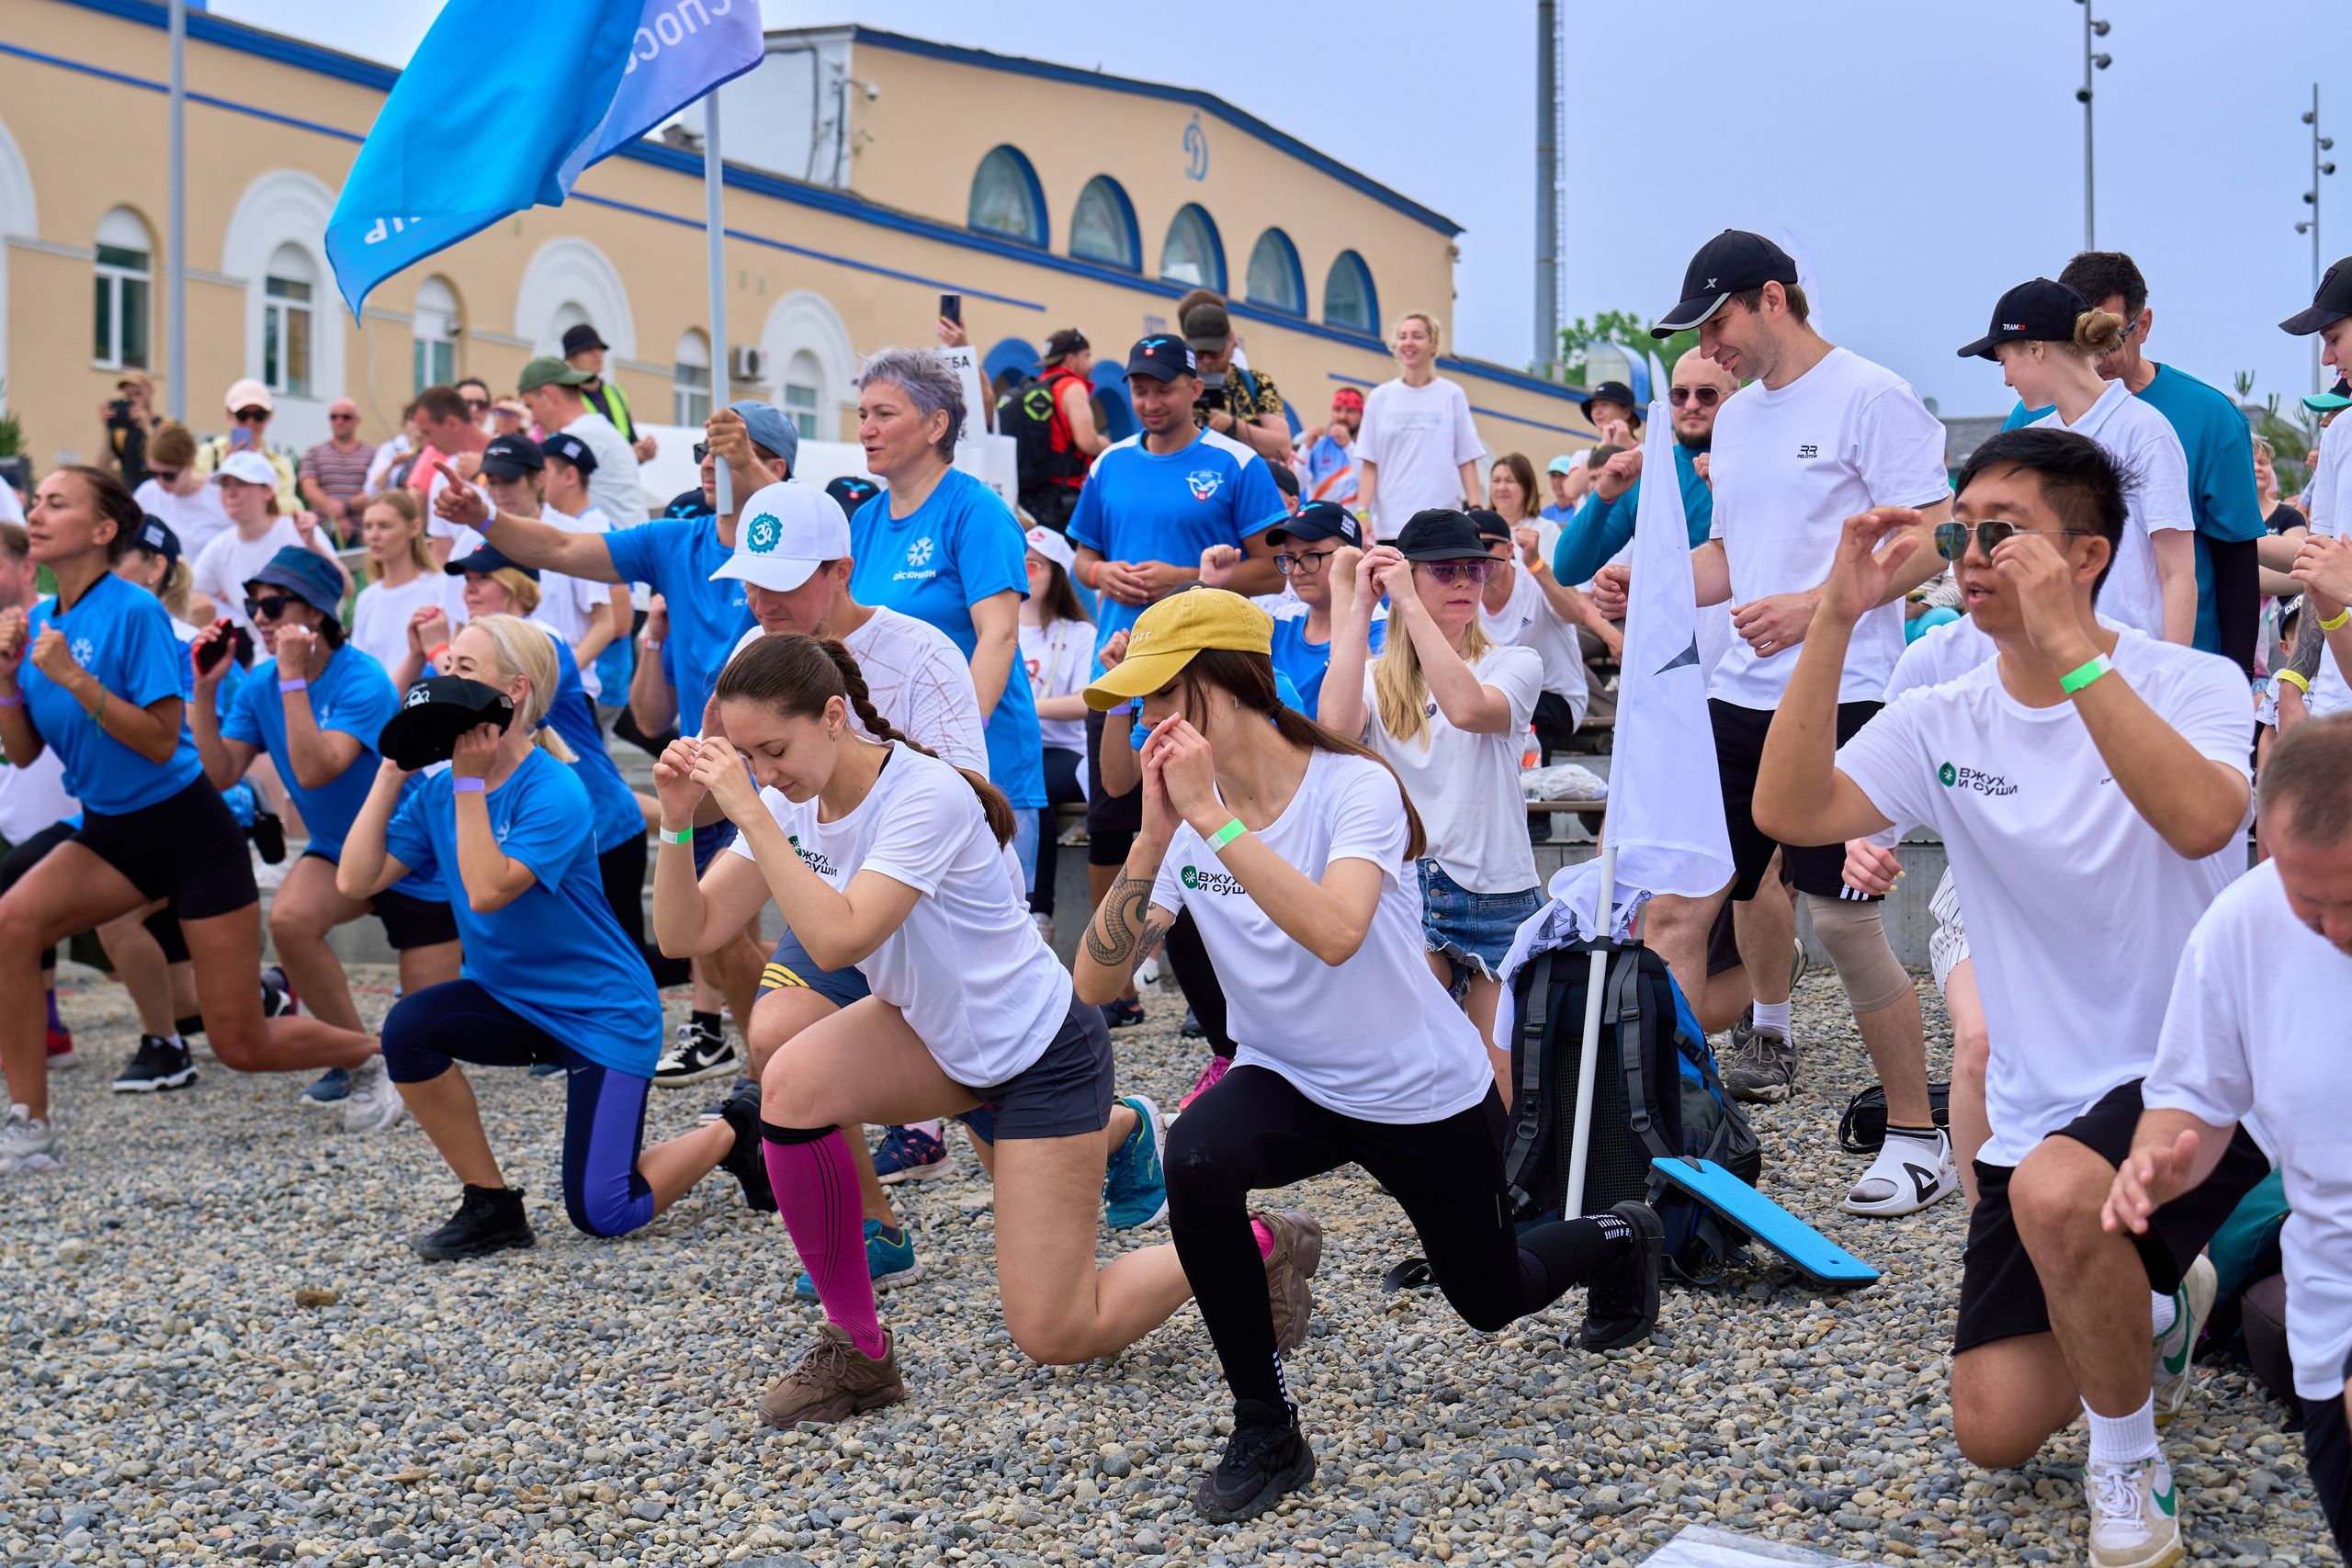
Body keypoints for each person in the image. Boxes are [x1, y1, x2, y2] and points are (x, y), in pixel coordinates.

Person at [1752, 426, 2265, 1566]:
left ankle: (2128, 1465)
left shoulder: (2192, 682)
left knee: (2055, 1189)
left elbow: (2201, 822)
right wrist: (1834, 616)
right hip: (2043, 1106)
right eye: (1958, 534)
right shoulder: (1944, 711)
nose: (1971, 555)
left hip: (2199, 1077)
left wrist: (2068, 648)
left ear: (2086, 555)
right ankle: (2159, 1303)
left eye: (2003, 532)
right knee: (1991, 1431)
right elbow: (1791, 811)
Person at [1072, 588, 1665, 1521]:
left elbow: (1337, 932)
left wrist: (1211, 823)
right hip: (1288, 1075)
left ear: (1225, 687)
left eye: (1159, 696)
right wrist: (1154, 837)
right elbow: (1094, 984)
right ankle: (1266, 1426)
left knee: (1492, 1296)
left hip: (1416, 1087)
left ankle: (1622, 1234)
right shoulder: (1182, 820)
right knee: (1196, 1155)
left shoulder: (1352, 787)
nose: (1146, 722)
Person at [648, 634, 1207, 1427]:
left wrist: (750, 811)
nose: (763, 773)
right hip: (936, 1034)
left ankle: (1253, 1241)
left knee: (1056, 1330)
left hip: (1040, 1053)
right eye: (747, 756)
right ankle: (858, 1347)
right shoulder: (785, 797)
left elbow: (841, 938)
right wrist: (677, 824)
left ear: (833, 716)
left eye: (774, 750)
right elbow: (687, 932)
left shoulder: (924, 793)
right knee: (790, 1081)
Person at [1591, 232, 1953, 1223]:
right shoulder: (1741, 417)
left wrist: (1815, 607)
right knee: (1673, 912)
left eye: (1717, 323)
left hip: (1843, 691)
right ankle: (1662, 1140)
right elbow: (1729, 556)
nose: (1708, 347)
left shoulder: (1871, 395)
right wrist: (1651, 580)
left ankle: (1917, 1137)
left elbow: (1937, 536)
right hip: (1736, 694)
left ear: (1772, 299)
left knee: (1839, 919)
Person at [334, 616, 764, 1256]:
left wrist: (469, 782)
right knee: (408, 1028)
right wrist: (391, 772)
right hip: (512, 1001)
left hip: (602, 1012)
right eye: (447, 666)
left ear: (514, 690)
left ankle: (736, 1128)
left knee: (605, 1211)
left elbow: (486, 890)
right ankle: (491, 1205)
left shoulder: (556, 787)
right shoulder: (440, 792)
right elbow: (355, 879)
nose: (449, 676)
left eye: (465, 668)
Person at [0, 468, 389, 1173]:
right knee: (11, 923)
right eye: (36, 502)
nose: (36, 513)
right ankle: (29, 1123)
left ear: (103, 529)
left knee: (240, 1044)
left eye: (56, 502)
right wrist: (5, 682)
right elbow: (24, 752)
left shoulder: (134, 611)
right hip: (113, 832)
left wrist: (74, 678)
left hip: (190, 833)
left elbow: (158, 740)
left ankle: (374, 1055)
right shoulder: (42, 623)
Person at [433, 403, 791, 1080]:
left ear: (774, 466)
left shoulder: (795, 535)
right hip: (706, 768)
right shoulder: (675, 541)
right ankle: (767, 1073)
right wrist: (484, 517)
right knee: (720, 943)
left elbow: (797, 528)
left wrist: (746, 464)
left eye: (730, 452)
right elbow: (561, 549)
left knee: (731, 940)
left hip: (785, 762)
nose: (710, 462)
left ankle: (771, 1077)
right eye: (706, 452)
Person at [2101, 714, 2350, 1558]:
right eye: (2308, 903)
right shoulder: (2245, 923)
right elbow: (2193, 1098)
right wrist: (2155, 1161)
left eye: (2350, 902)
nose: (2332, 930)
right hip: (2330, 1311)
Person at [187, 545, 460, 1122]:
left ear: (315, 613)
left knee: (424, 1039)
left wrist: (291, 679)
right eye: (253, 606)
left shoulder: (362, 678)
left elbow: (316, 770)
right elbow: (220, 774)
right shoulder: (261, 684)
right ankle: (358, 1058)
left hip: (414, 852)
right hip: (339, 848)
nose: (259, 619)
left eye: (273, 605)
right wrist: (205, 692)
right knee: (290, 921)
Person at [1068, 333, 1287, 1025]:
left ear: (1196, 388)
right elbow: (1082, 558)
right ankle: (1117, 988)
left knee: (1209, 818)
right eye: (1139, 388)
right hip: (1122, 665)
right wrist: (1104, 574)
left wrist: (1186, 576)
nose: (1150, 401)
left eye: (1163, 388)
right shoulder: (1110, 463)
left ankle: (1217, 983)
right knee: (1112, 823)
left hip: (1203, 675)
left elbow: (1272, 568)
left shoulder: (1236, 462)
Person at [1322, 510, 1544, 1068]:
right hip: (1410, 889)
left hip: (1498, 892)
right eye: (1445, 571)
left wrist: (1409, 602)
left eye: (1475, 568)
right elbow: (1334, 730)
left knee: (1502, 1083)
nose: (1466, 581)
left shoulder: (1515, 662)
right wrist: (1361, 604)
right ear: (1409, 577)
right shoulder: (1376, 676)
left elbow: (1468, 708)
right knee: (1414, 1064)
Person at [844, 347, 1047, 895]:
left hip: (979, 767)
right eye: (862, 414)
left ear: (937, 425)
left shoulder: (976, 511)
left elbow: (999, 635)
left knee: (987, 937)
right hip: (891, 767)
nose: (866, 429)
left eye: (884, 414)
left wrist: (953, 751)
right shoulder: (864, 522)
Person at [2004, 252, 2267, 674]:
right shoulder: (2031, 418)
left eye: (2108, 338)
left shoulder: (2209, 416)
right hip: (2065, 663)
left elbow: (2235, 559)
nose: (2095, 356)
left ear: (2142, 325)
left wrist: (2238, 681)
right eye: (2081, 338)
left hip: (2170, 664)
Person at [1964, 277, 2194, 643]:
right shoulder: (2034, 440)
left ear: (2036, 348)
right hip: (2045, 656)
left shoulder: (2145, 432)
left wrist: (2171, 670)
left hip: (2130, 660)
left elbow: (2177, 572)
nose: (2005, 379)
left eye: (2003, 360)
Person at [0, 521, 81, 1072]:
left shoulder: (59, 626)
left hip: (83, 814)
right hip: (13, 810)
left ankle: (266, 992)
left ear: (27, 568)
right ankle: (44, 1029)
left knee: (139, 960)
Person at [1018, 524, 1095, 943]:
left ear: (1057, 574)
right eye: (1018, 563)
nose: (1023, 572)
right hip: (1011, 746)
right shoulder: (992, 627)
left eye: (1034, 565)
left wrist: (1023, 709)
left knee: (1033, 784)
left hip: (1063, 749)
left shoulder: (1080, 633)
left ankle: (1038, 912)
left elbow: (1087, 699)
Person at [1226, 501, 1370, 721]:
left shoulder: (1380, 629)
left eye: (1311, 556)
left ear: (1352, 557)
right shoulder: (1279, 622)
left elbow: (1367, 704)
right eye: (1290, 558)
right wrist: (1210, 583)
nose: (1297, 570)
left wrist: (1343, 585)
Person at [1472, 506, 1591, 764]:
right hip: (1496, 697)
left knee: (1515, 714)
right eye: (1471, 547)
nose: (1479, 555)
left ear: (1509, 550)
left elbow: (1577, 612)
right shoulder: (1463, 593)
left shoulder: (1535, 580)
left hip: (1556, 698)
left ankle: (1532, 789)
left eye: (1487, 545)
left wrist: (1536, 563)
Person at [1354, 313, 1483, 542]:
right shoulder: (1379, 397)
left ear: (1433, 345)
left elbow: (1466, 459)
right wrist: (1362, 512)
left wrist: (1476, 510)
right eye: (1403, 337)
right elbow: (1370, 464)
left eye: (1417, 336)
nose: (1408, 343)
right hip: (1392, 526)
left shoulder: (1452, 394)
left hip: (1443, 523)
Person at [191, 451, 351, 631]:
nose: (231, 493)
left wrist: (313, 545)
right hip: (264, 649)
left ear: (268, 491)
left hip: (312, 646)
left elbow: (345, 588)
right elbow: (188, 595)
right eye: (225, 485)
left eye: (241, 484)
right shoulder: (220, 547)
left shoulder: (298, 531)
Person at [517, 355, 644, 528]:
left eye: (530, 406)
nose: (532, 419)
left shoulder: (573, 439)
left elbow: (532, 492)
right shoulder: (600, 429)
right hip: (625, 539)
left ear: (548, 395)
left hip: (608, 542)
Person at [1007, 328, 1107, 533]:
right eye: (1086, 357)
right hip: (1062, 497)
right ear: (1070, 360)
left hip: (1029, 494)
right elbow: (1087, 442)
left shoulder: (1038, 385)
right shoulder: (1072, 386)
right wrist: (1107, 445)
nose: (1090, 365)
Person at [348, 491, 457, 674]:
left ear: (414, 528)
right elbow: (361, 668)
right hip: (384, 693)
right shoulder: (367, 598)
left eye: (384, 526)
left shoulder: (442, 586)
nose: (374, 535)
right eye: (367, 527)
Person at [1182, 301, 1292, 466]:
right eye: (1199, 353)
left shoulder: (1258, 384)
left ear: (1231, 340)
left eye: (1214, 352)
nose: (1207, 360)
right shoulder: (1178, 386)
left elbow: (1282, 446)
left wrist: (1234, 426)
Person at [132, 422, 233, 567]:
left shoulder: (219, 495)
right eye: (152, 473)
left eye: (168, 475)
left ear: (190, 463)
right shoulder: (146, 493)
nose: (160, 481)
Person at [195, 379, 300, 512]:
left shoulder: (281, 466)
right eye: (242, 415)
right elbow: (194, 500)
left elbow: (286, 512)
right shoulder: (208, 454)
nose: (251, 422)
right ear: (229, 415)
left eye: (259, 416)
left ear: (269, 417)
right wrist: (225, 469)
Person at [563, 321, 657, 464]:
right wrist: (627, 455)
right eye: (588, 349)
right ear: (570, 358)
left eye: (600, 348)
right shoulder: (565, 399)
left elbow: (630, 440)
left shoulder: (616, 393)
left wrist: (642, 450)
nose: (597, 354)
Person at [299, 399, 377, 540]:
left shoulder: (374, 454)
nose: (339, 421)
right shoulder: (314, 453)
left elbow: (376, 489)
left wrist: (346, 507)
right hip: (322, 536)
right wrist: (336, 514)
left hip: (365, 536)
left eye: (346, 417)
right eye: (334, 417)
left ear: (357, 420)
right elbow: (309, 489)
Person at [1298, 386, 1363, 509]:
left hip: (1353, 520)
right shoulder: (1318, 447)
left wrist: (1348, 446)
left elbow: (1367, 483)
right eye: (1338, 410)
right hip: (1319, 518)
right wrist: (1306, 448)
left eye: (1350, 411)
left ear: (1361, 415)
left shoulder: (1366, 450)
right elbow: (1298, 485)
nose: (1342, 416)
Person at [100, 370, 157, 491]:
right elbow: (101, 468)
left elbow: (168, 457)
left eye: (138, 394)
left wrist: (147, 427)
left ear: (151, 391)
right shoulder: (122, 433)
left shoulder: (166, 426)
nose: (133, 400)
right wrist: (107, 429)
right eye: (128, 396)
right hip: (133, 495)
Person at [1582, 378, 1642, 445]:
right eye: (1593, 406)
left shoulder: (1644, 451)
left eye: (1605, 405)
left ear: (1626, 413)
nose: (1596, 412)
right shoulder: (1588, 451)